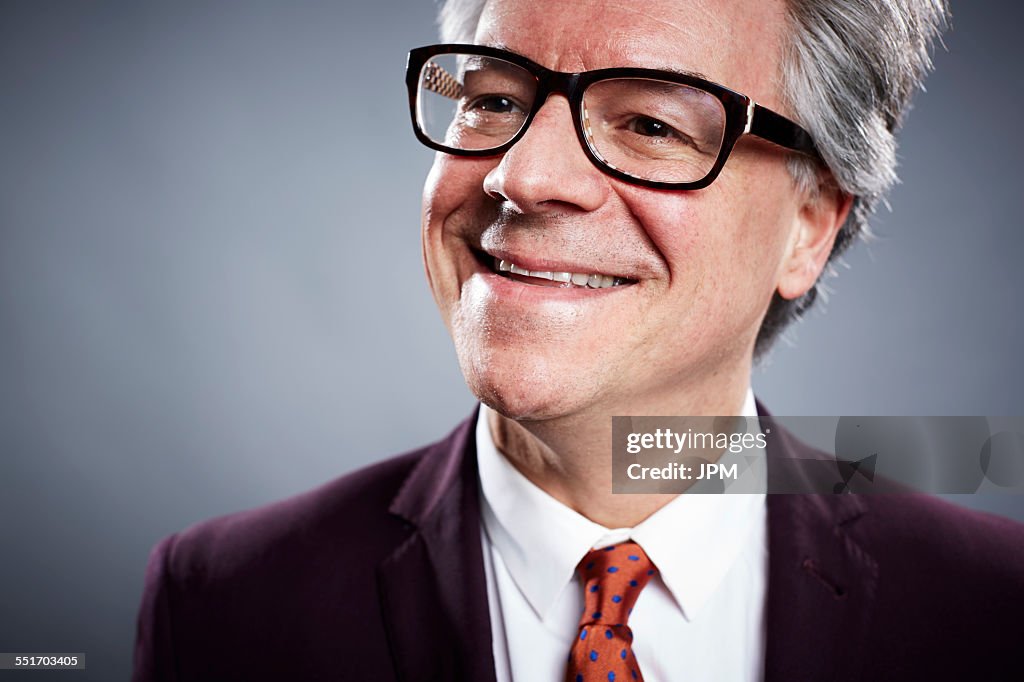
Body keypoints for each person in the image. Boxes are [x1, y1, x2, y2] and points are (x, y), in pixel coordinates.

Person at [133, 0, 1024, 680]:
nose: (525, 175)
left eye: (650, 124)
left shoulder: (988, 608)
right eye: (492, 98)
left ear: (810, 225)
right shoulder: (226, 605)